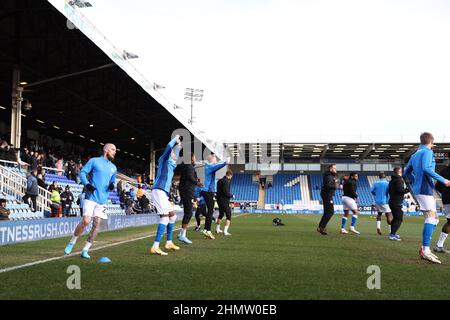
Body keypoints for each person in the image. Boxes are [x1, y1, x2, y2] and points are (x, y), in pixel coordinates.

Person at [64, 143, 117, 259]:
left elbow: (112, 181)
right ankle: (72, 242)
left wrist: (112, 185)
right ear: (106, 150)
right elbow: (82, 172)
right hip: (91, 196)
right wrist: (87, 184)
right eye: (113, 149)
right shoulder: (94, 161)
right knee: (86, 221)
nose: (115, 152)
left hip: (103, 200)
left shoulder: (114, 167)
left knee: (97, 225)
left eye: (115, 150)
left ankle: (85, 250)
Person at [404, 132, 450, 264]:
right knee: (431, 217)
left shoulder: (415, 154)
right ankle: (425, 250)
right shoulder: (428, 152)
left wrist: (415, 181)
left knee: (434, 218)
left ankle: (425, 248)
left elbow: (407, 172)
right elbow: (426, 168)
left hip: (420, 188)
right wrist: (444, 180)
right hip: (425, 188)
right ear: (431, 142)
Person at [149, 135, 182, 256]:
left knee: (172, 216)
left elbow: (176, 154)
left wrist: (179, 146)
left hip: (163, 193)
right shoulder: (165, 159)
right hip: (159, 190)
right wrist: (175, 139)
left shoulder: (172, 163)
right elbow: (169, 147)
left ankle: (168, 242)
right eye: (172, 152)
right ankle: (155, 246)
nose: (173, 153)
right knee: (165, 217)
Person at [201, 154, 228, 240]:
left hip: (208, 191)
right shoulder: (209, 166)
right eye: (215, 158)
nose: (216, 159)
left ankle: (205, 229)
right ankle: (208, 230)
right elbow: (217, 167)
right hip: (209, 191)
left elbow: (215, 166)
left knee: (210, 210)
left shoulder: (209, 166)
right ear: (212, 159)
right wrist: (225, 163)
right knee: (210, 211)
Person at [177, 152, 201, 244]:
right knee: (189, 213)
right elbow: (191, 177)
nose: (195, 159)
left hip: (186, 191)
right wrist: (197, 183)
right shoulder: (189, 167)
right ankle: (182, 235)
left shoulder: (188, 167)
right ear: (191, 159)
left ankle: (181, 234)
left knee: (188, 213)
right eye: (194, 157)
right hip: (187, 192)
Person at [388, 167, 410, 241]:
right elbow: (400, 190)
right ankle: (392, 235)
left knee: (395, 218)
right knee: (399, 219)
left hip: (392, 201)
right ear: (400, 171)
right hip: (396, 202)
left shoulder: (392, 180)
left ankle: (393, 233)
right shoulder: (399, 180)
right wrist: (408, 189)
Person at [434, 162, 450, 253]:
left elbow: (437, 187)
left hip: (446, 199)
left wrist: (445, 191)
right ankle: (438, 245)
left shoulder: (443, 171)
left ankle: (439, 245)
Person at [317, 164, 337, 235]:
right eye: (334, 168)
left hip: (327, 194)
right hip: (327, 195)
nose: (335, 170)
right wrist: (335, 186)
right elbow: (328, 185)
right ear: (330, 169)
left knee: (327, 212)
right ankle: (322, 227)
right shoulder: (329, 176)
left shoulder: (329, 175)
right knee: (330, 212)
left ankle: (320, 227)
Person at [216, 170, 234, 235]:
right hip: (224, 201)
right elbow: (226, 192)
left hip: (219, 200)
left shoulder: (219, 181)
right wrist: (232, 195)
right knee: (229, 215)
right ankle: (225, 231)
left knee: (221, 214)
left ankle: (217, 229)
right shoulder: (226, 181)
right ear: (230, 175)